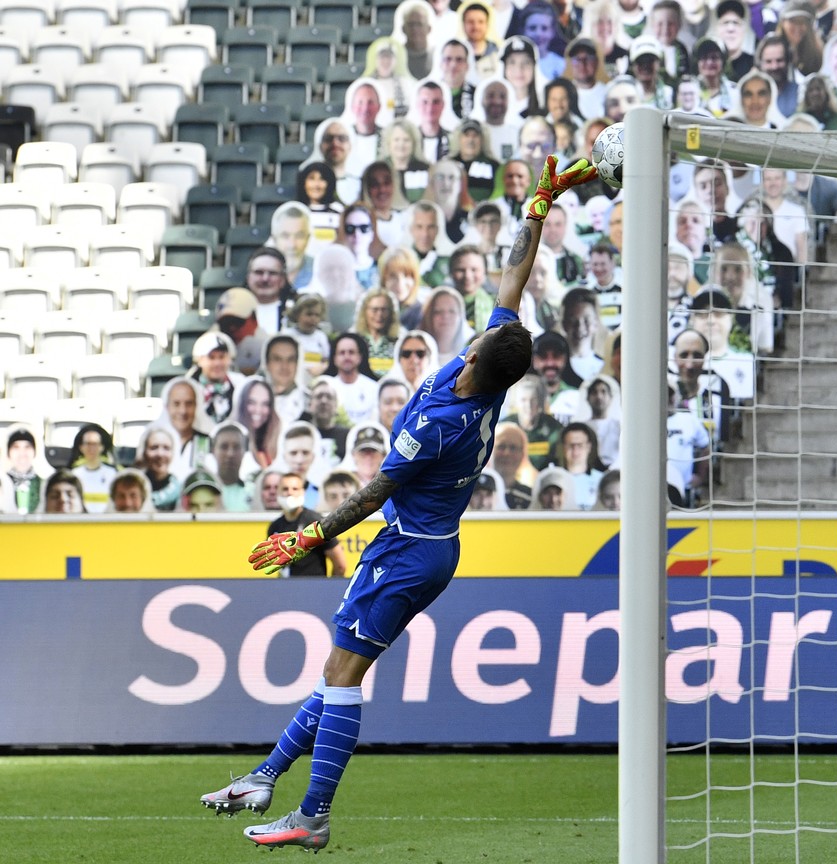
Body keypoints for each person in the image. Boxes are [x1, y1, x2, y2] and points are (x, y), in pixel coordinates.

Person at [202, 155, 597, 852]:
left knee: (346, 677)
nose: (476, 329)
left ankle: (313, 815)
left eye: (477, 334)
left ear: (474, 356)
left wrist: (310, 535)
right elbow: (514, 276)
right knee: (335, 670)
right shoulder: (492, 376)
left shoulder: (437, 425)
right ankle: (265, 777)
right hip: (420, 545)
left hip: (409, 550)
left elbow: (379, 489)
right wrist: (536, 209)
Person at [264, 473, 348, 577]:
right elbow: (280, 567)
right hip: (286, 589)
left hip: (313, 588)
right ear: (278, 492)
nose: (290, 493)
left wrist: (329, 589)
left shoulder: (317, 522)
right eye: (285, 489)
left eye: (295, 489)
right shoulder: (275, 527)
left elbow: (340, 565)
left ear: (303, 492)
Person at [67, 423, 117, 513]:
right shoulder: (74, 474)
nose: (91, 448)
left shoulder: (112, 473)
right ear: (81, 447)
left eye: (95, 444)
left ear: (102, 447)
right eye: (88, 444)